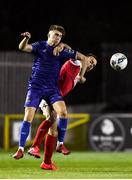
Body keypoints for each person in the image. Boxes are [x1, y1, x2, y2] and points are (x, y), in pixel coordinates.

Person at [12, 24, 95, 161]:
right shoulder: (41, 46)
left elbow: (82, 57)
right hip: (36, 87)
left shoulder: (62, 52)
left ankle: (57, 146)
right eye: (55, 34)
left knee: (61, 114)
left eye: (60, 36)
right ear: (49, 34)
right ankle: (22, 149)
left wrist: (81, 75)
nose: (57, 37)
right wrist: (26, 39)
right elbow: (23, 47)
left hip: (52, 90)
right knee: (31, 117)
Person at [28, 57, 97, 170]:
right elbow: (79, 58)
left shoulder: (78, 73)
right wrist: (82, 72)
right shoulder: (76, 63)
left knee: (53, 131)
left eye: (93, 65)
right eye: (91, 61)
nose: (91, 65)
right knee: (51, 119)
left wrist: (81, 76)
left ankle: (47, 162)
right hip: (48, 93)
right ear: (85, 58)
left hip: (53, 97)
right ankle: (34, 147)